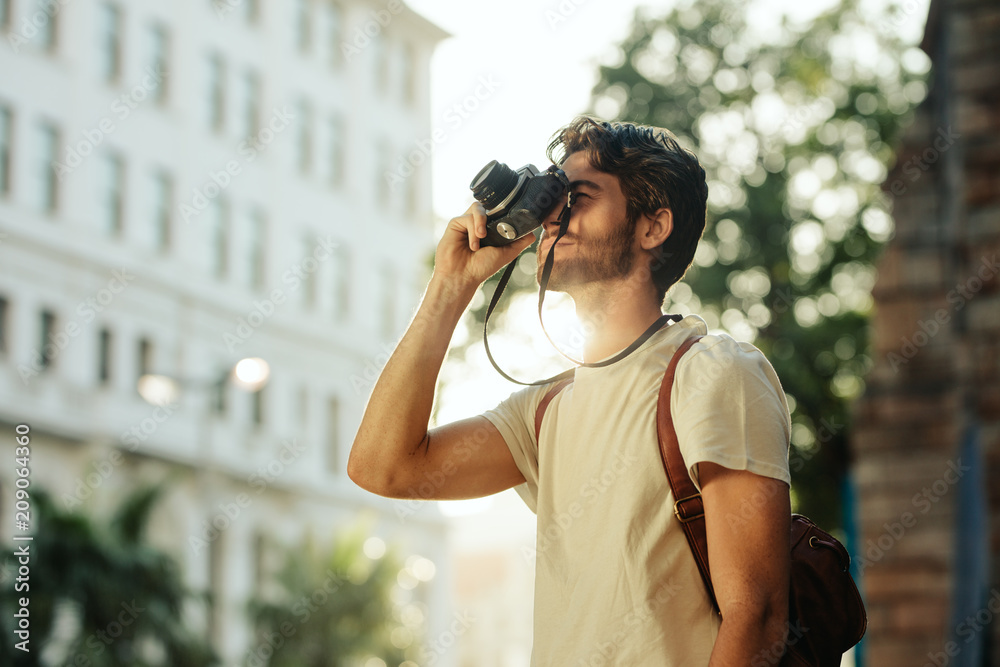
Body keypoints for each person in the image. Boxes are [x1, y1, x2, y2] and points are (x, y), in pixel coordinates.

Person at [349, 116, 792, 666]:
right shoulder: (544, 411)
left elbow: (760, 614)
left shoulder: (713, 373)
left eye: (578, 197)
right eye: (553, 195)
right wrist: (452, 284)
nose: (554, 215)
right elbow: (383, 466)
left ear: (652, 228)